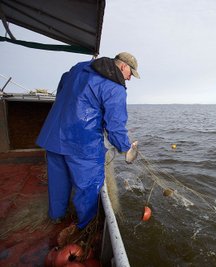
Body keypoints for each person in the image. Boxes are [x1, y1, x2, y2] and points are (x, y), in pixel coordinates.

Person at [36, 52, 140, 229]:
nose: (129, 79)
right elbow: (115, 126)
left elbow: (63, 83)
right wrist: (126, 148)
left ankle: (56, 218)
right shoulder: (115, 86)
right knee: (88, 188)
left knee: (58, 184)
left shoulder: (80, 67)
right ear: (123, 66)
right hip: (82, 144)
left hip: (53, 137)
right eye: (131, 74)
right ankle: (85, 227)